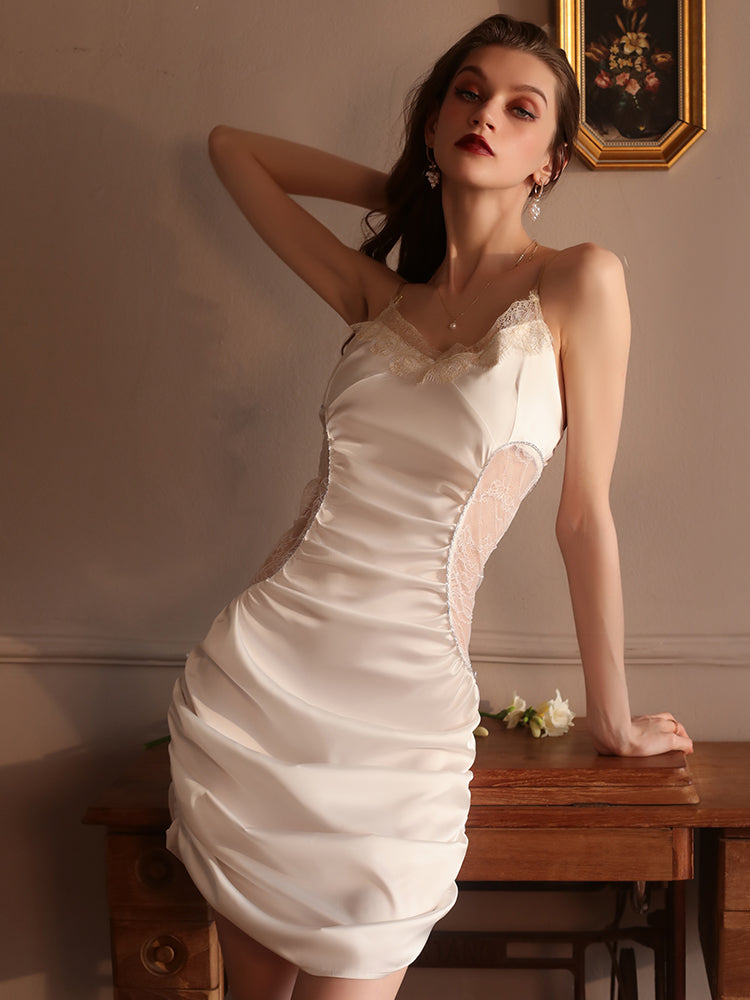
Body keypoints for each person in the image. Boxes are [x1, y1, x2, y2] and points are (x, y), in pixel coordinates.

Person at [166, 13, 693, 1000]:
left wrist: (615, 717)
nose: (487, 114)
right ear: (434, 118)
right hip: (268, 673)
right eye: (468, 93)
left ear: (549, 160)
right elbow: (232, 152)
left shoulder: (581, 282)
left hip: (403, 713)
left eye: (520, 108)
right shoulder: (375, 298)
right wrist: (417, 182)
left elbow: (583, 516)